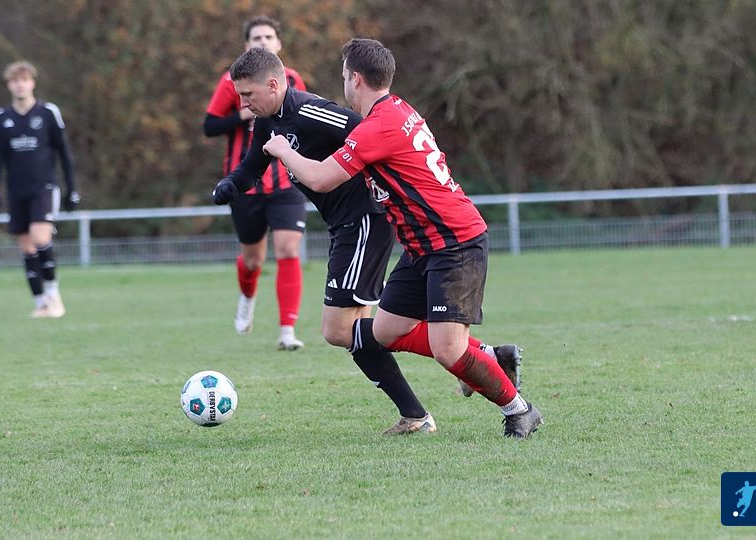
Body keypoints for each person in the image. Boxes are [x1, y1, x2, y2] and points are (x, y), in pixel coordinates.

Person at [213, 48, 520, 435]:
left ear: (273, 85)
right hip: (343, 225)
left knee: (342, 330)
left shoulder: (313, 112)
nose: (243, 104)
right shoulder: (266, 123)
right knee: (357, 330)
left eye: (248, 94)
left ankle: (425, 407)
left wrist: (376, 182)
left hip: (364, 221)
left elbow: (365, 132)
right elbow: (252, 166)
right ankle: (474, 364)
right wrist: (231, 185)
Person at [204, 16, 307, 350]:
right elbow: (209, 126)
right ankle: (247, 297)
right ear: (246, 45)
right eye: (256, 38)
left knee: (289, 249)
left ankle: (287, 330)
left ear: (279, 43)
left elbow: (305, 124)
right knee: (253, 260)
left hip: (286, 183)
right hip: (246, 183)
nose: (263, 42)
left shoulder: (293, 79)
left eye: (268, 36)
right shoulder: (230, 83)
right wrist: (243, 114)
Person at [0, 61, 79, 319]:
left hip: (44, 187)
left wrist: (72, 189)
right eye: (15, 80)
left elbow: (64, 153)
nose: (20, 85)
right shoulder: (1, 118)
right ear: (9, 85)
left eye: (25, 80)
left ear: (33, 83)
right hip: (16, 190)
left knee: (40, 238)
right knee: (27, 248)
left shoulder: (48, 113)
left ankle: (54, 295)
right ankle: (40, 304)